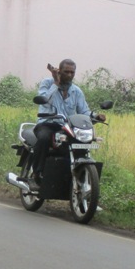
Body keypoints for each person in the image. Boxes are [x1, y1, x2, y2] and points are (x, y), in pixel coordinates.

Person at [27, 59, 104, 190]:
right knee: (44, 138)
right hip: (47, 123)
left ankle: (78, 177)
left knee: (80, 144)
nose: (69, 75)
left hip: (67, 127)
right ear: (59, 71)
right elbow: (44, 102)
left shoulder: (76, 91)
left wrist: (95, 116)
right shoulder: (47, 83)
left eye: (72, 72)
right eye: (66, 72)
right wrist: (56, 83)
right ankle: (37, 174)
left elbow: (83, 111)